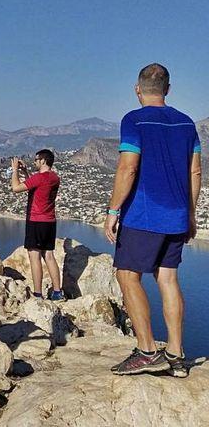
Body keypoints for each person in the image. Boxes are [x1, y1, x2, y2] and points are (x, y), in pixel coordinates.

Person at [104, 63, 201, 378]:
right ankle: (176, 354)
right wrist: (189, 214)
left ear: (137, 89)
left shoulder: (134, 120)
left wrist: (113, 210)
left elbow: (128, 168)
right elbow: (195, 172)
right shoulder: (187, 124)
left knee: (127, 276)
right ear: (168, 89)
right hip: (176, 216)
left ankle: (147, 351)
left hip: (144, 216)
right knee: (168, 279)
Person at [10, 150, 63, 300]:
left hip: (36, 221)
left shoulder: (40, 178)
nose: (34, 162)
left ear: (43, 161)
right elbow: (35, 187)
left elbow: (16, 188)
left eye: (36, 160)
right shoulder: (54, 178)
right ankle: (57, 292)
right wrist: (26, 172)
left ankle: (38, 293)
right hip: (50, 222)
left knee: (34, 257)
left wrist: (14, 170)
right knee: (49, 256)